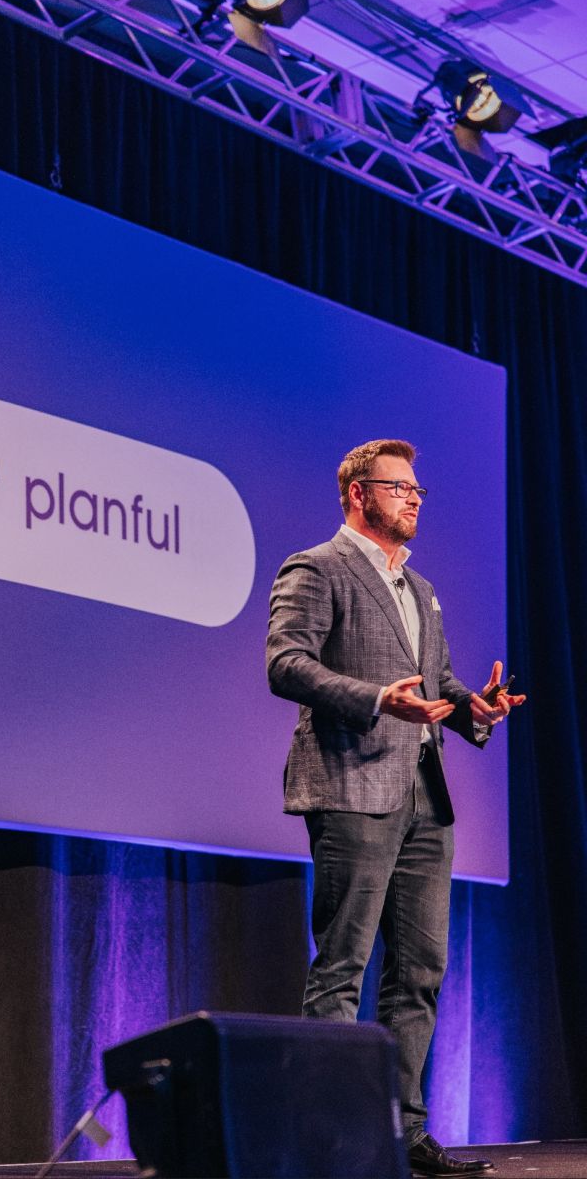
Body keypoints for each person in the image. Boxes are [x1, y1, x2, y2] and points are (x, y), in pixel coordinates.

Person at [266, 439, 525, 1178]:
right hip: (351, 785)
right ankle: (324, 1137)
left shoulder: (420, 588)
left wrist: (478, 709)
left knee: (420, 969)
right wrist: (378, 699)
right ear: (357, 493)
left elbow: (434, 683)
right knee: (343, 963)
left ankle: (404, 1132)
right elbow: (285, 662)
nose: (413, 499)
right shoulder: (317, 567)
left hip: (423, 796)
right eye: (398, 487)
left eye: (417, 489)